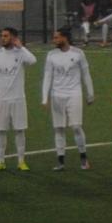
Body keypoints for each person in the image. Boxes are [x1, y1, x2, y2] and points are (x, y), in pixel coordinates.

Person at [0, 26, 38, 172]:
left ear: (13, 38)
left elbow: (33, 61)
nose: (3, 38)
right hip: (1, 99)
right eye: (2, 36)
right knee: (0, 131)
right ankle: (1, 161)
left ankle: (21, 161)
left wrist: (22, 47)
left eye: (6, 36)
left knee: (20, 130)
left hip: (18, 98)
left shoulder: (21, 53)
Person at [40, 27, 94, 171]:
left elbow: (86, 74)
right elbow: (47, 77)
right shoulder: (51, 55)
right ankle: (60, 161)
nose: (54, 40)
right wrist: (44, 97)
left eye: (57, 37)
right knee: (59, 128)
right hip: (57, 95)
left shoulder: (78, 53)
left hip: (74, 94)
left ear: (65, 38)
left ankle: (83, 158)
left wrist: (90, 93)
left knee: (76, 126)